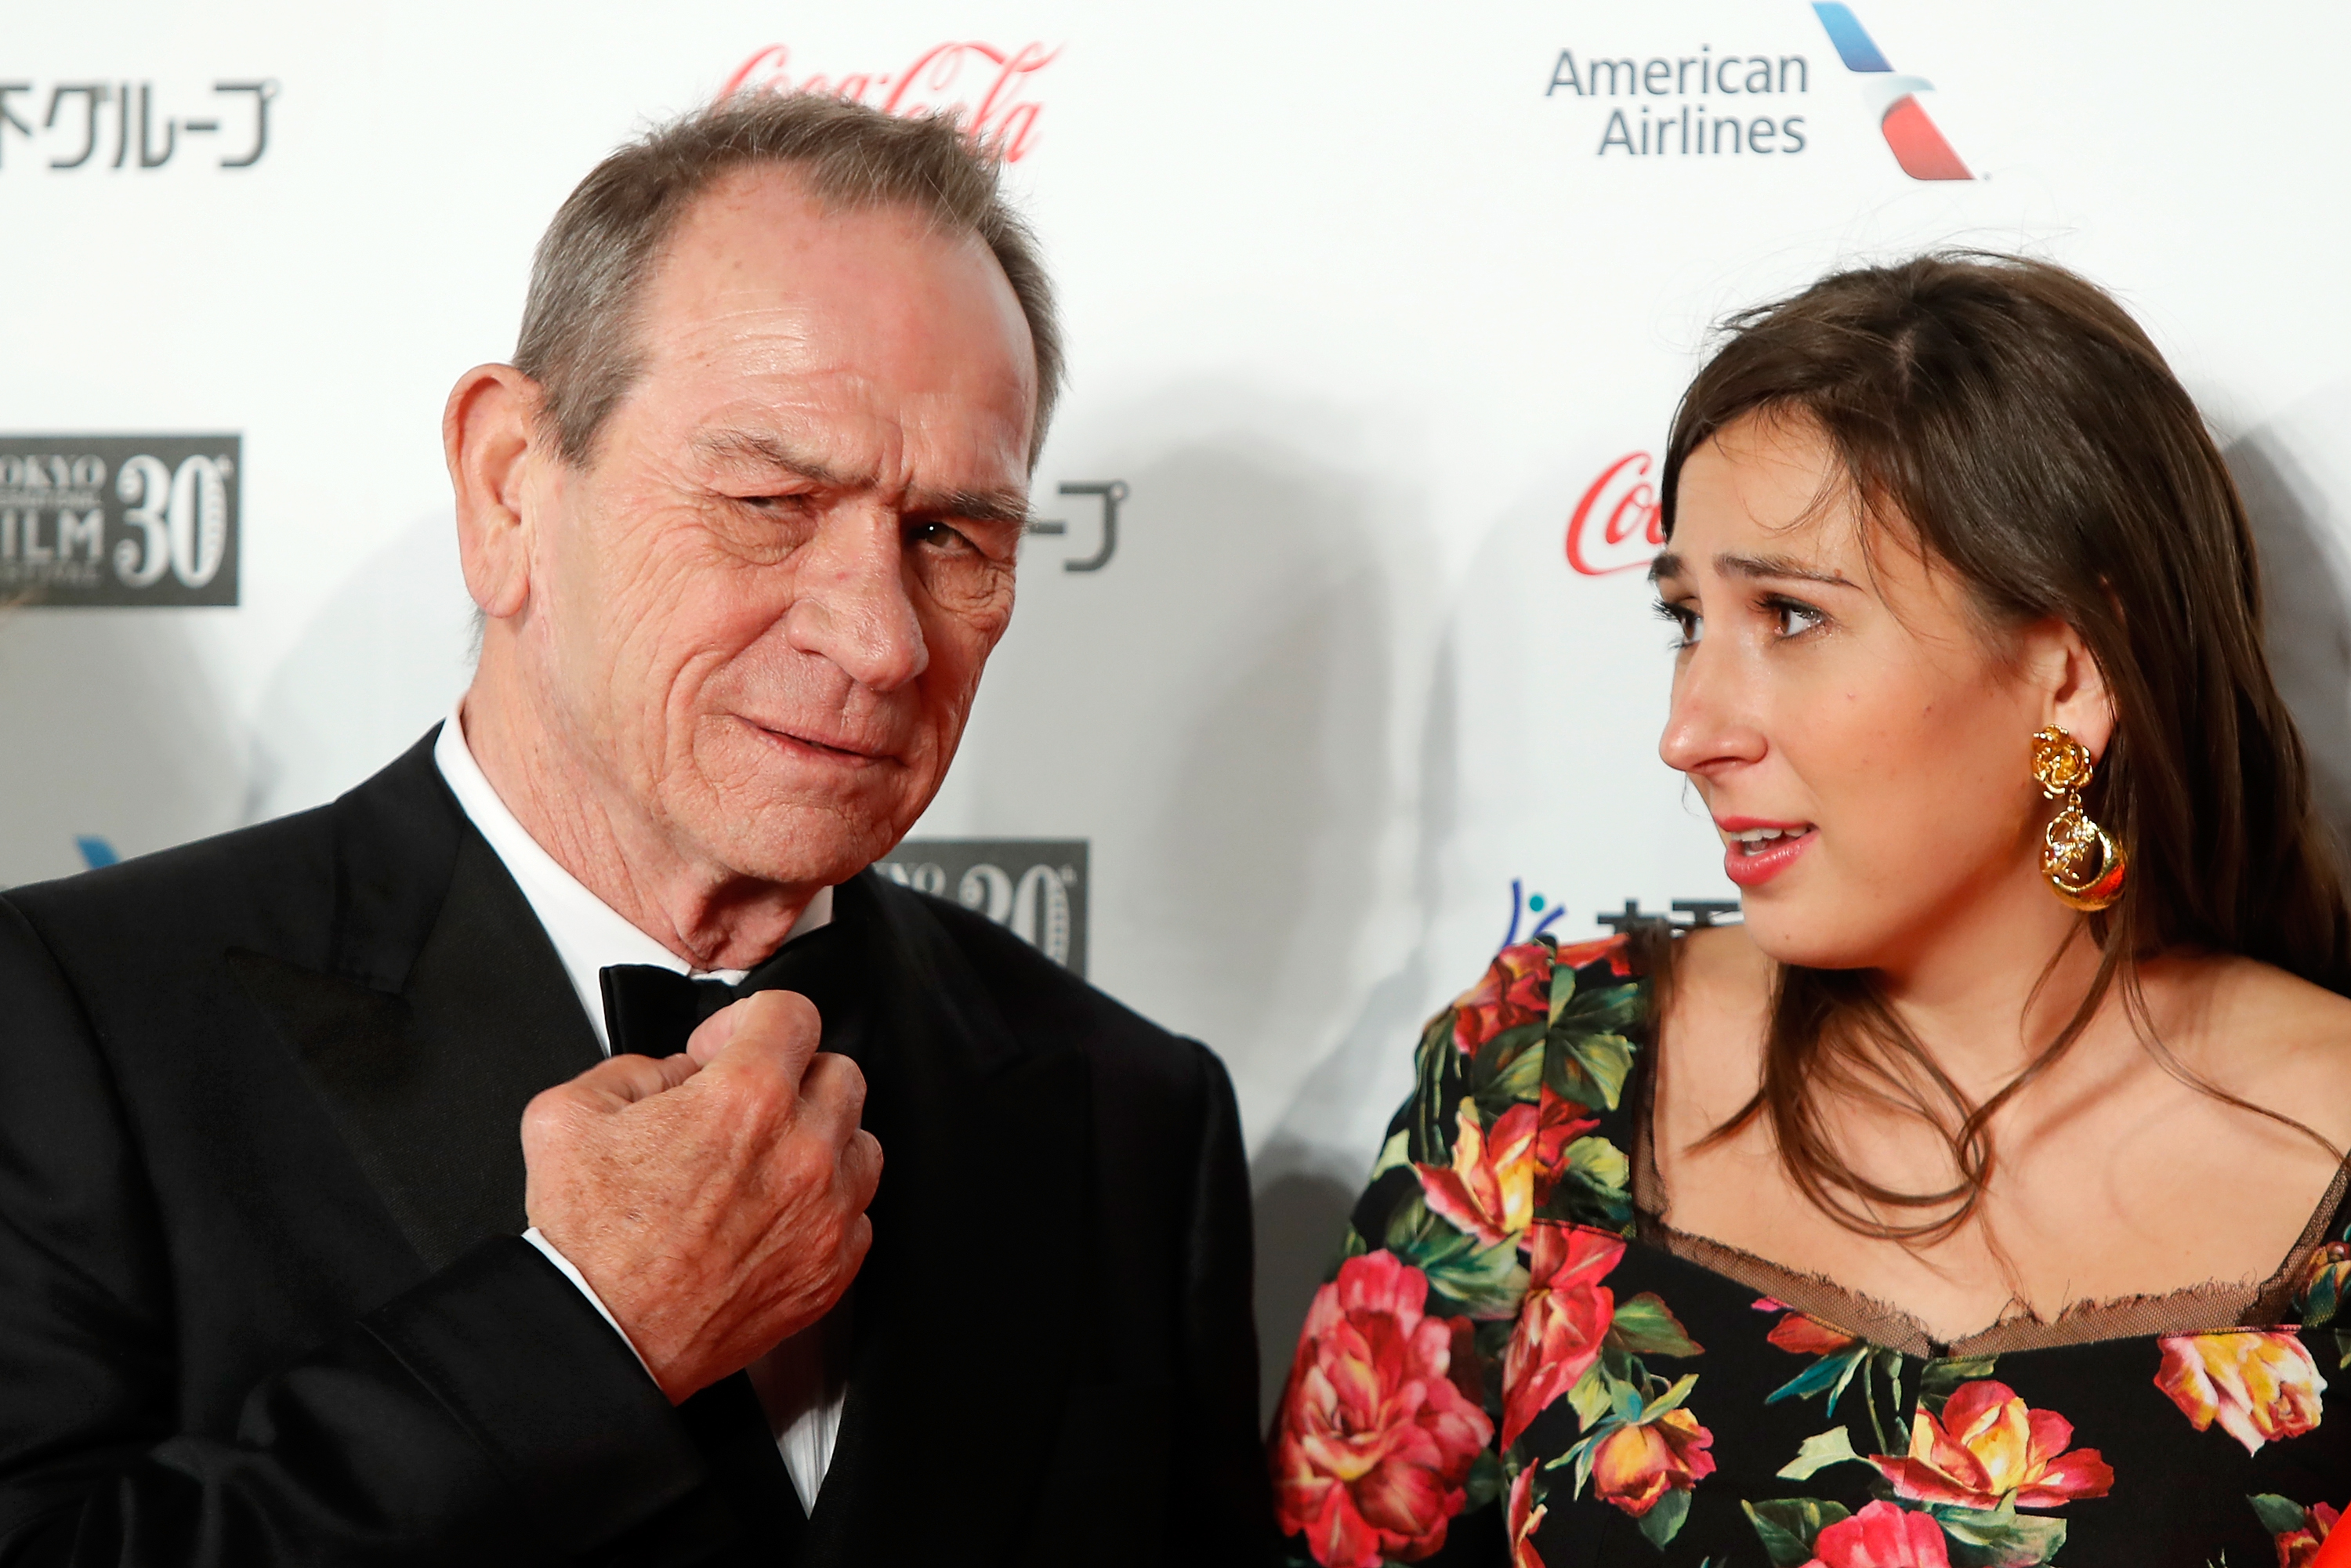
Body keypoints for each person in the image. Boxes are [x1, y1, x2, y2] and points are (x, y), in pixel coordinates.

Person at [0, 94, 1273, 1566]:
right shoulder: (71, 1028)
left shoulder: (1134, 1114)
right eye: (769, 500)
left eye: (948, 538)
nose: (877, 639)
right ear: (510, 489)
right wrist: (582, 1326)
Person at [1270, 254, 2351, 1566]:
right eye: (1687, 619)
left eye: (1788, 614)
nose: (1688, 732)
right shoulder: (1538, 1082)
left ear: (2069, 675)